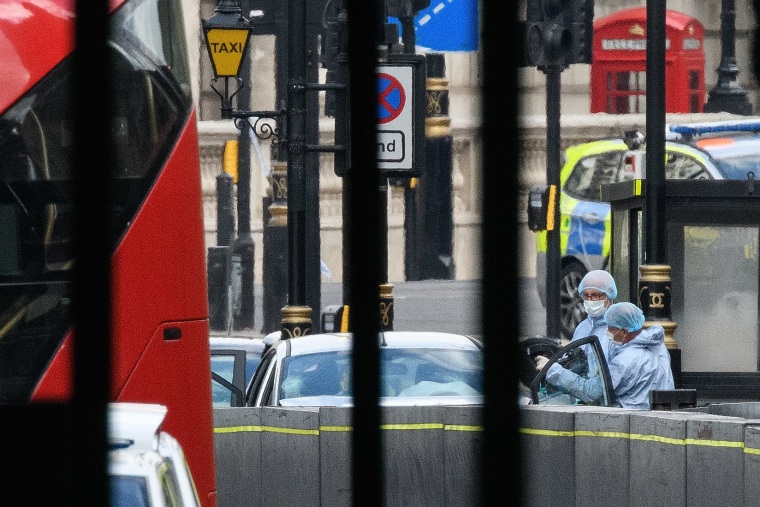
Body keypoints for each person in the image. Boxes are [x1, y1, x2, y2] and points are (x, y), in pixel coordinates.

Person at [537, 302, 675, 409]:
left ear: (625, 331)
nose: (608, 332)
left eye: (612, 329)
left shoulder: (625, 360)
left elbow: (591, 392)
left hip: (631, 419)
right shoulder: (658, 346)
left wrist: (552, 370)